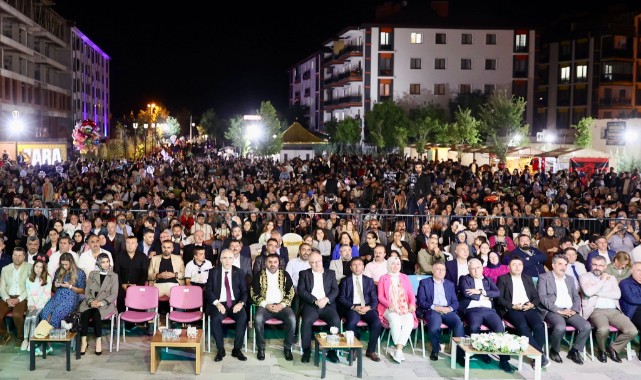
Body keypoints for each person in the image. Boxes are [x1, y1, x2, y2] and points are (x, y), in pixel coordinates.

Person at [458, 258, 516, 373]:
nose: (476, 270)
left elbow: (496, 293)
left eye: (478, 268)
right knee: (474, 327)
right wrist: (487, 296)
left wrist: (480, 291)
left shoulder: (488, 280)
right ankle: (481, 352)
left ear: (482, 268)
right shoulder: (464, 278)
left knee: (500, 328)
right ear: (469, 270)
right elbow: (466, 293)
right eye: (473, 268)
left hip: (489, 311)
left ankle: (504, 360)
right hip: (472, 310)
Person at [579, 255, 638, 363]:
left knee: (632, 331)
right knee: (603, 329)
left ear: (605, 266)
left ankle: (613, 348)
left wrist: (597, 293)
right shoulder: (584, 277)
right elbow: (588, 292)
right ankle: (601, 350)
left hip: (613, 310)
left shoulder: (611, 278)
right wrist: (602, 281)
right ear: (591, 265)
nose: (597, 267)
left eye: (601, 265)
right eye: (595, 265)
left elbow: (617, 295)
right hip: (596, 310)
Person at [495, 256, 550, 368]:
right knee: (522, 326)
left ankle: (536, 359)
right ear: (509, 267)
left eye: (519, 264)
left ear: (523, 266)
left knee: (539, 326)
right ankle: (540, 355)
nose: (517, 267)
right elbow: (499, 298)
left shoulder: (527, 278)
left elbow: (536, 296)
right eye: (514, 264)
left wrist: (532, 304)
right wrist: (512, 306)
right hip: (512, 309)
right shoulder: (503, 278)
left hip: (527, 307)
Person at [537, 253, 591, 365]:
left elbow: (576, 297)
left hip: (570, 310)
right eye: (560, 264)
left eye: (565, 264)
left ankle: (574, 351)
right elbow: (542, 297)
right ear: (553, 265)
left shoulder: (570, 279)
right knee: (560, 327)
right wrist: (558, 310)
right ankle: (554, 350)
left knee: (586, 326)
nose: (563, 267)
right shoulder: (544, 277)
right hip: (553, 310)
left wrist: (574, 310)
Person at [250, 253, 296, 361]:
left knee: (292, 319)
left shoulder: (284, 274)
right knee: (258, 319)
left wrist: (282, 305)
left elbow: (291, 291)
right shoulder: (259, 275)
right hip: (265, 306)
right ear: (265, 263)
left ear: (278, 263)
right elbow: (253, 292)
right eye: (270, 262)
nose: (272, 264)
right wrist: (266, 304)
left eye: (275, 262)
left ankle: (288, 347)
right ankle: (261, 347)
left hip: (282, 306)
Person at [416, 261, 464, 361]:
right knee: (434, 326)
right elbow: (421, 301)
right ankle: (435, 349)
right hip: (432, 310)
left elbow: (455, 302)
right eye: (438, 269)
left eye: (443, 270)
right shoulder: (425, 283)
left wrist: (449, 308)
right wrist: (434, 307)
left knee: (458, 324)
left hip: (447, 310)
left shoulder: (450, 284)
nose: (441, 271)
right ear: (433, 271)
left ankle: (459, 353)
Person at [205, 249, 248, 362]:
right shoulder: (213, 272)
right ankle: (220, 349)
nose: (227, 261)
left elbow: (244, 291)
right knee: (215, 319)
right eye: (224, 258)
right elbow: (208, 291)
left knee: (243, 318)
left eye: (230, 258)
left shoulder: (239, 272)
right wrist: (217, 303)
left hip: (235, 303)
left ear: (233, 259)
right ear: (220, 260)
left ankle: (237, 349)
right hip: (220, 303)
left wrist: (240, 303)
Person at [298, 252, 341, 364]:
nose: (316, 264)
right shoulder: (304, 274)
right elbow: (301, 291)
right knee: (306, 321)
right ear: (309, 263)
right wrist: (315, 301)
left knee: (335, 320)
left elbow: (335, 290)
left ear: (322, 260)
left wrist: (326, 299)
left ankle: (332, 351)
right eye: (312, 262)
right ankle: (306, 351)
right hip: (311, 305)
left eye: (318, 261)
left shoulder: (330, 273)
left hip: (327, 305)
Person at [39, 252, 86, 355]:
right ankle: (44, 340)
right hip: (58, 296)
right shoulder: (59, 271)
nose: (64, 266)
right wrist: (55, 284)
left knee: (57, 313)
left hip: (71, 296)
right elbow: (55, 289)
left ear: (71, 263)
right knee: (46, 311)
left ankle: (47, 343)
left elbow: (82, 291)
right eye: (62, 264)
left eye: (66, 264)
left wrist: (70, 286)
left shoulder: (80, 273)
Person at [337, 257, 382, 362]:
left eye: (359, 265)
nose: (357, 267)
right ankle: (353, 349)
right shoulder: (345, 281)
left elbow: (374, 299)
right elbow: (341, 298)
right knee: (351, 322)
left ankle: (371, 350)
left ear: (363, 267)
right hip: (352, 307)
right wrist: (354, 307)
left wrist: (369, 307)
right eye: (354, 265)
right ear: (351, 267)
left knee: (376, 323)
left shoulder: (369, 280)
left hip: (367, 307)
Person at [376, 256, 417, 363]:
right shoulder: (383, 278)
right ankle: (398, 350)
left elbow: (411, 294)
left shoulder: (404, 277)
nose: (395, 266)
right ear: (389, 265)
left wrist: (412, 304)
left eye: (398, 264)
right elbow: (380, 296)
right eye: (393, 264)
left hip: (404, 306)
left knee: (409, 320)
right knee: (395, 321)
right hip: (388, 307)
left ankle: (398, 349)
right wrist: (389, 304)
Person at [78, 253, 118, 355]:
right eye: (103, 262)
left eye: (107, 262)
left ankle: (98, 341)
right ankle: (83, 341)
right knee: (85, 314)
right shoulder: (92, 274)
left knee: (97, 314)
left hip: (105, 304)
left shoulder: (113, 276)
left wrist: (101, 303)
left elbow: (114, 294)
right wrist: (91, 301)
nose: (105, 264)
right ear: (98, 263)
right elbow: (87, 291)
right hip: (91, 302)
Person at [0, 247, 32, 347]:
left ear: (24, 257)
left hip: (22, 297)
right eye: (15, 255)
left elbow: (30, 287)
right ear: (12, 256)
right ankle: (5, 335)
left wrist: (19, 299)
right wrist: (6, 298)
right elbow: (1, 287)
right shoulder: (5, 269)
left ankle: (20, 337)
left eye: (20, 256)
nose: (17, 258)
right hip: (8, 296)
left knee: (17, 315)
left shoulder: (30, 267)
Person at [113, 236, 149, 313]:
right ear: (125, 244)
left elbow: (145, 274)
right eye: (128, 243)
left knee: (139, 299)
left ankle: (138, 320)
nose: (130, 245)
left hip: (137, 285)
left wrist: (137, 285)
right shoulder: (119, 256)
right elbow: (116, 273)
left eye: (132, 243)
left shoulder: (142, 256)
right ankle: (122, 319)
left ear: (136, 245)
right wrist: (122, 284)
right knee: (119, 297)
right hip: (122, 286)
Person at [23, 259, 51, 351]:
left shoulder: (47, 278)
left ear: (44, 269)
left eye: (41, 267)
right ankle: (25, 339)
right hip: (32, 304)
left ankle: (32, 341)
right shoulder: (29, 279)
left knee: (34, 317)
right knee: (28, 317)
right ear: (33, 267)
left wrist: (36, 305)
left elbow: (46, 295)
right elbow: (29, 294)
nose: (38, 269)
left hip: (42, 304)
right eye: (36, 266)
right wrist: (30, 305)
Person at [619, 262, 641, 358]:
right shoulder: (624, 283)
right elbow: (632, 299)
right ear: (632, 271)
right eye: (638, 270)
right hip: (633, 312)